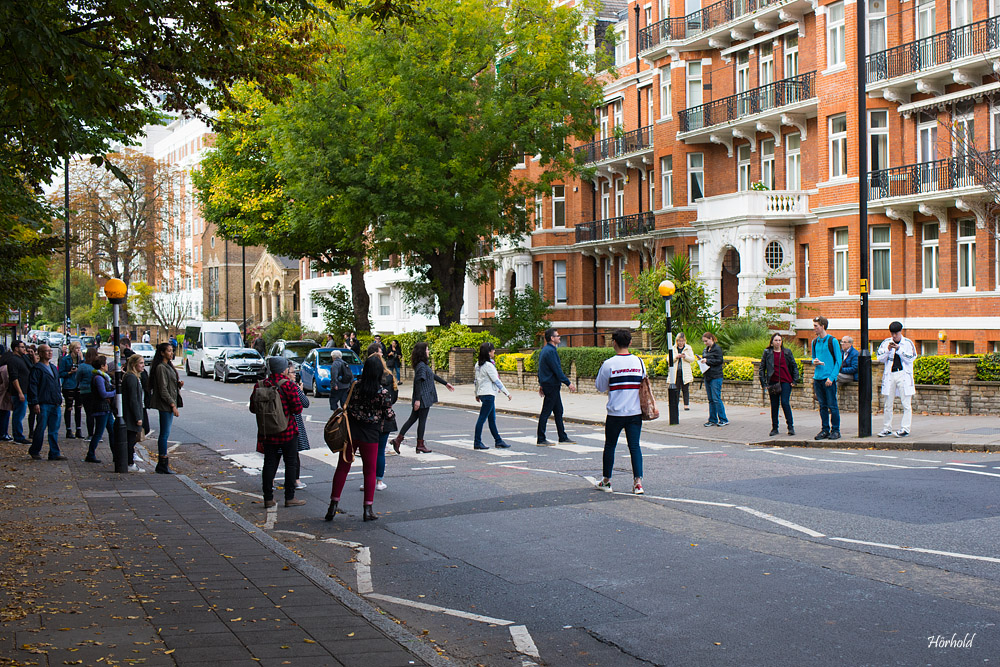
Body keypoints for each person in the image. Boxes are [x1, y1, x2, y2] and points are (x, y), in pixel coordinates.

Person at [326, 355, 394, 522]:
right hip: (370, 434)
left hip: (351, 431)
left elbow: (347, 405)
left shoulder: (355, 386)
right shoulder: (382, 392)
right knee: (369, 470)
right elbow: (389, 414)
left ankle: (333, 505)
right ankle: (367, 509)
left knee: (343, 467)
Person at [594, 329, 646, 494]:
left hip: (615, 413)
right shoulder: (639, 362)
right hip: (635, 412)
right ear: (630, 342)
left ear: (613, 342)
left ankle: (607, 481)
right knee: (634, 446)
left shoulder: (609, 364)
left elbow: (600, 387)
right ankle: (638, 483)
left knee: (610, 445)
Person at [252, 357, 305, 508]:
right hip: (287, 431)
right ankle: (290, 497)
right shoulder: (288, 385)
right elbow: (298, 408)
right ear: (284, 369)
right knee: (290, 463)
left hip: (267, 431)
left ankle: (268, 498)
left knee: (269, 463)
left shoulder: (260, 385)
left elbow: (252, 408)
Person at [391, 341, 454, 454]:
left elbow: (431, 375)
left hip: (423, 396)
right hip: (423, 397)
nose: (428, 351)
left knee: (413, 419)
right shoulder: (421, 366)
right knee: (421, 421)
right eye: (427, 349)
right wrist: (418, 400)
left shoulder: (423, 365)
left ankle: (398, 440)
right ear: (422, 352)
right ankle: (419, 444)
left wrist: (445, 383)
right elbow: (418, 382)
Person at [361, 342, 397, 491]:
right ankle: (379, 481)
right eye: (381, 352)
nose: (383, 354)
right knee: (380, 451)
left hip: (368, 420)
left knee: (369, 453)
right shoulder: (388, 376)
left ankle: (368, 481)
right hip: (384, 419)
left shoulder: (365, 376)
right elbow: (393, 397)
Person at [536, 328, 577, 445]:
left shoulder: (545, 350)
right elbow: (557, 370)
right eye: (557, 336)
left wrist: (541, 384)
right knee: (546, 412)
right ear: (552, 338)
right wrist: (568, 383)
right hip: (551, 385)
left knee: (558, 411)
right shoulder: (550, 351)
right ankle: (541, 438)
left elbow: (541, 369)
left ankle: (562, 436)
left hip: (548, 384)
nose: (559, 337)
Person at [877, 321, 917, 438]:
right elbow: (880, 358)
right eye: (892, 334)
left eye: (896, 333)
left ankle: (905, 428)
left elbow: (911, 358)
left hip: (903, 374)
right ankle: (887, 428)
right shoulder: (885, 343)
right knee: (888, 404)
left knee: (906, 403)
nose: (894, 336)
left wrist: (899, 349)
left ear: (900, 332)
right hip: (890, 375)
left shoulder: (908, 343)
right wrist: (889, 350)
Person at [27, 344, 66, 461]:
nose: (50, 353)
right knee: (41, 428)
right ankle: (35, 450)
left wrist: (59, 398)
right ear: (41, 353)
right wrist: (35, 402)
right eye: (46, 351)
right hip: (43, 402)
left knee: (54, 430)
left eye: (50, 351)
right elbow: (32, 386)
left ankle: (54, 452)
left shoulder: (53, 368)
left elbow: (57, 385)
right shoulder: (37, 369)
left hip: (55, 402)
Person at [149, 342, 182, 474]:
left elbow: (168, 385)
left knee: (165, 433)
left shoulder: (168, 366)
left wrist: (178, 384)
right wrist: (172, 405)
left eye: (172, 350)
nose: (171, 353)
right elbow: (162, 389)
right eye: (168, 351)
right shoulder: (161, 367)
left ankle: (163, 463)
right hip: (165, 405)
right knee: (164, 434)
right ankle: (162, 462)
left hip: (168, 403)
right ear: (162, 353)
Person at [473, 341, 512, 450]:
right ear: (489, 352)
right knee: (482, 419)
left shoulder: (478, 364)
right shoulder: (489, 365)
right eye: (493, 350)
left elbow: (476, 381)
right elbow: (497, 381)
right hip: (489, 394)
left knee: (491, 419)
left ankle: (498, 441)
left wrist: (476, 393)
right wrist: (507, 393)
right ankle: (477, 442)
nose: (494, 351)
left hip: (483, 394)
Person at [759, 332, 799, 436]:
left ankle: (790, 427)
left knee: (785, 403)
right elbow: (762, 368)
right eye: (776, 340)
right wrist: (764, 383)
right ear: (772, 342)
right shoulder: (767, 352)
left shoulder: (787, 352)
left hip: (786, 381)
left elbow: (794, 366)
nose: (778, 342)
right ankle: (774, 428)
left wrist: (795, 380)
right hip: (773, 382)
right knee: (774, 405)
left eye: (780, 340)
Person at [810, 315, 842, 440]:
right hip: (818, 378)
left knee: (832, 405)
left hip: (828, 379)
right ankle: (824, 430)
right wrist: (814, 361)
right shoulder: (814, 342)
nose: (814, 329)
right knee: (822, 406)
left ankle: (836, 430)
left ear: (822, 326)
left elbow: (838, 361)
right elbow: (813, 357)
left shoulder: (832, 341)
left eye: (816, 326)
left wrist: (832, 377)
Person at [86, 355, 115, 464]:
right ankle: (90, 453)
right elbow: (103, 394)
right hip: (101, 408)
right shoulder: (98, 378)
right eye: (106, 364)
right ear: (102, 366)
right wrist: (114, 393)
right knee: (99, 432)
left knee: (112, 431)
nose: (107, 366)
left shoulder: (103, 376)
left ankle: (115, 454)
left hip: (106, 408)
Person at [123, 354, 147, 472]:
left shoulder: (133, 377)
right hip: (131, 415)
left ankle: (129, 463)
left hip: (131, 414)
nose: (143, 365)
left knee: (130, 440)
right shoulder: (131, 378)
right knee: (130, 440)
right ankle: (129, 463)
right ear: (134, 365)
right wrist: (138, 417)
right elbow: (133, 399)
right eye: (141, 363)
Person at [697, 332, 727, 427]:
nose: (705, 343)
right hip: (708, 375)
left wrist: (707, 360)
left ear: (711, 339)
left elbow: (720, 360)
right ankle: (712, 419)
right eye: (704, 341)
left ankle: (723, 419)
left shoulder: (717, 349)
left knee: (716, 398)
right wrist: (702, 360)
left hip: (716, 376)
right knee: (711, 399)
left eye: (706, 341)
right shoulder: (706, 350)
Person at [4, 341, 31, 444]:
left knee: (20, 413)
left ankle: (18, 434)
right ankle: (18, 436)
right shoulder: (13, 360)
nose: (24, 349)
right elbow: (14, 377)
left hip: (24, 390)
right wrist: (19, 392)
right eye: (22, 347)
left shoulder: (22, 358)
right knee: (18, 414)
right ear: (16, 348)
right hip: (19, 392)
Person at [58, 341, 84, 439]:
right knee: (68, 408)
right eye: (77, 348)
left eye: (79, 348)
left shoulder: (80, 359)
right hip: (69, 385)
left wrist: (81, 360)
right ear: (72, 349)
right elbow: (60, 373)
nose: (78, 350)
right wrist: (70, 372)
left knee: (78, 408)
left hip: (78, 385)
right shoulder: (65, 359)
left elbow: (83, 369)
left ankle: (79, 429)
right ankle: (68, 430)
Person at [667, 332, 696, 411]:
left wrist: (685, 356)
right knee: (676, 389)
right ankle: (675, 404)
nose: (681, 343)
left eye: (682, 341)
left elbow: (692, 359)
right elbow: (668, 359)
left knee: (685, 389)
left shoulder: (688, 348)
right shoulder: (673, 348)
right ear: (677, 341)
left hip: (685, 372)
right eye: (679, 341)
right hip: (676, 372)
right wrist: (676, 357)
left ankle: (686, 404)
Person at [75, 347, 98, 439]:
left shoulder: (83, 366)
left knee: (89, 413)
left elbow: (77, 378)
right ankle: (97, 434)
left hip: (85, 392)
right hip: (96, 392)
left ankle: (90, 434)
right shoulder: (96, 366)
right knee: (96, 413)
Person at [292, 376, 310, 490]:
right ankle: (295, 480)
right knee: (293, 455)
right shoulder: (292, 386)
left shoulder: (269, 383)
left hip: (272, 424)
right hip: (293, 423)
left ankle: (271, 482)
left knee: (274, 456)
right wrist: (301, 391)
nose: (295, 375)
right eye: (293, 372)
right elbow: (305, 403)